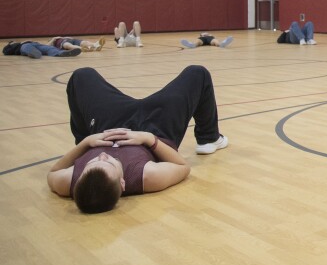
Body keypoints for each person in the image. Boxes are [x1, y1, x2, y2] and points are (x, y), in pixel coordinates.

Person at [46, 65, 229, 214]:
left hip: (108, 124)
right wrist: (149, 139)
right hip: (156, 127)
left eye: (92, 163)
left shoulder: (69, 183)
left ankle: (83, 137)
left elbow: (53, 173)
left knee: (81, 76)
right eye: (109, 163)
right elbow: (182, 166)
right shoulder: (146, 177)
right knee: (197, 73)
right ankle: (209, 138)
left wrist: (86, 142)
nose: (102, 156)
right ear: (123, 183)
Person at [3, 40, 81, 59]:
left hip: (37, 44)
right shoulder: (13, 46)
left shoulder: (20, 42)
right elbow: (6, 52)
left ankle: (61, 53)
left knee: (49, 48)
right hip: (24, 46)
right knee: (27, 47)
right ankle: (33, 53)